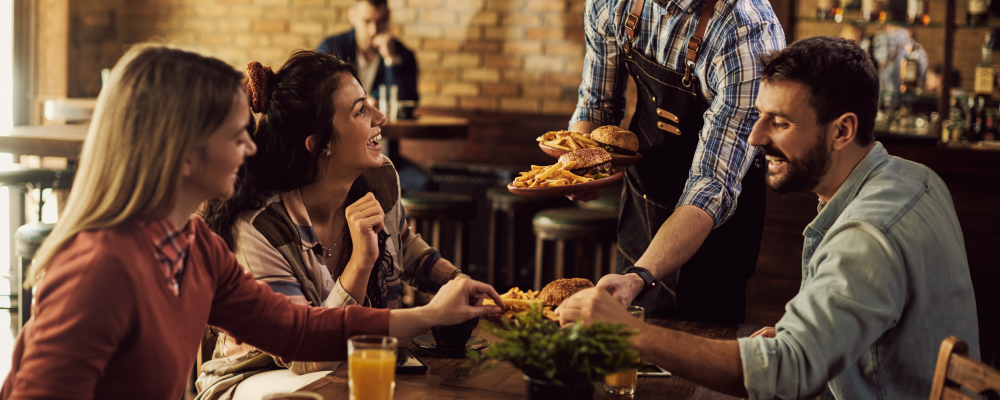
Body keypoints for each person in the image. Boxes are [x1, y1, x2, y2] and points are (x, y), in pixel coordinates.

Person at [0, 44, 503, 400]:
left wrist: (433, 314)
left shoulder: (193, 246)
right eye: (236, 134)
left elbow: (297, 329)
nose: (250, 147)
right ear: (184, 154)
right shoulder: (99, 269)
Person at [557, 36, 980, 399]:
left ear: (842, 131)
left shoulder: (866, 235)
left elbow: (788, 375)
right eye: (759, 115)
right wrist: (806, 335)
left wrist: (631, 334)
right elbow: (879, 317)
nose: (757, 138)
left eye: (779, 122)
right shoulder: (916, 179)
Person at [195, 51, 469, 399]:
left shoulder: (380, 177)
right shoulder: (260, 228)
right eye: (360, 111)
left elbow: (404, 245)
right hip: (256, 377)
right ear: (320, 144)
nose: (380, 117)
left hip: (352, 360)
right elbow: (308, 353)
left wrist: (457, 281)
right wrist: (361, 263)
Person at [571, 0, 785, 323]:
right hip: (642, 209)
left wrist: (639, 276)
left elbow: (710, 185)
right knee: (626, 359)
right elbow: (596, 105)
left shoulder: (746, 31)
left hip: (712, 241)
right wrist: (579, 169)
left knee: (692, 361)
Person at [316, 0, 417, 104]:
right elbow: (320, 96)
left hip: (383, 120)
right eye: (367, 21)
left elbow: (407, 102)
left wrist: (390, 59)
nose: (373, 30)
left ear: (388, 17)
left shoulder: (403, 55)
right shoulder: (331, 49)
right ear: (352, 16)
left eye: (380, 21)